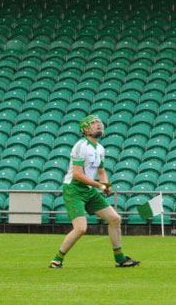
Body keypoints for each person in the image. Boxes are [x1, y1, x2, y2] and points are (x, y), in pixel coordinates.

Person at [49, 115, 139, 268]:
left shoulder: (100, 148)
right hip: (74, 189)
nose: (98, 125)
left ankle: (120, 258)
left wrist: (106, 185)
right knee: (80, 228)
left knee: (115, 219)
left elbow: (101, 171)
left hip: (89, 189)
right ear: (85, 129)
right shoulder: (81, 146)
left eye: (98, 122)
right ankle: (57, 260)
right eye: (93, 123)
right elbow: (77, 174)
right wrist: (99, 186)